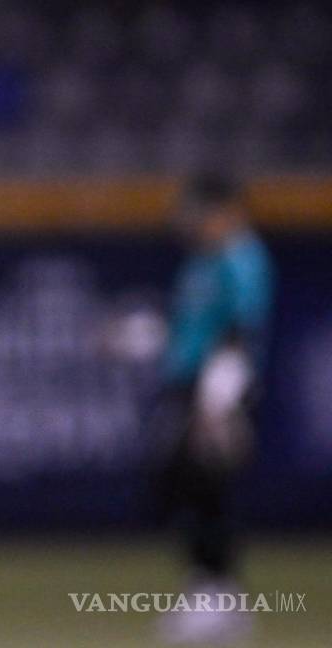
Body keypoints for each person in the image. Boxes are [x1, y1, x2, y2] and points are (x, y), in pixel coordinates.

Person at [152, 172, 274, 643]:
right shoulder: (201, 262)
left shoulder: (241, 257)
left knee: (206, 485)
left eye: (199, 209)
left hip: (216, 387)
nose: (190, 219)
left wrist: (218, 394)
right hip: (186, 384)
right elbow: (186, 327)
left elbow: (240, 330)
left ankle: (219, 595)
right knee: (178, 484)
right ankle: (208, 587)